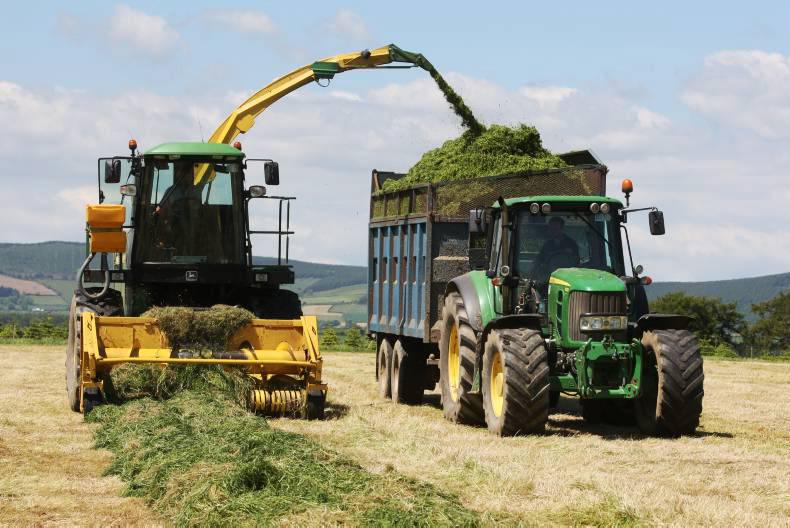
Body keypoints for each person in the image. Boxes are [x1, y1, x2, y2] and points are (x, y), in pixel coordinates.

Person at [531, 216, 579, 281]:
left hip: (568, 278)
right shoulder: (547, 245)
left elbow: (576, 262)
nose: (552, 231)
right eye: (551, 229)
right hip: (548, 277)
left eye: (555, 229)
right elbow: (539, 260)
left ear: (562, 229)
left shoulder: (571, 244)